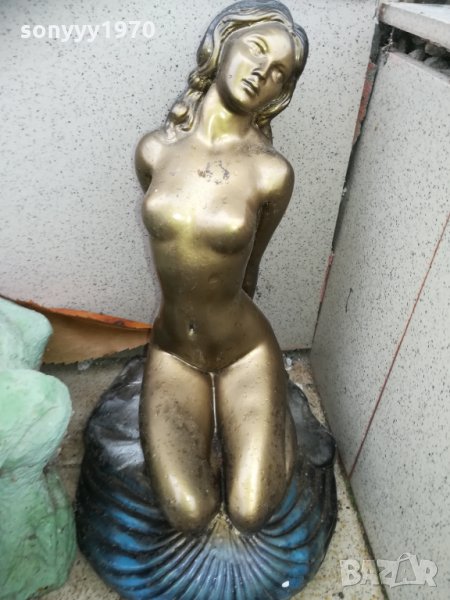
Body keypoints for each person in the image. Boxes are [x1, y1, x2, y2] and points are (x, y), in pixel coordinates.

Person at [135, 0, 308, 534]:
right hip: (174, 350)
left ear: (280, 93)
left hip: (242, 350)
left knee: (251, 510)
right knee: (188, 512)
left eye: (279, 73)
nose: (262, 73)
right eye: (257, 49)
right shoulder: (154, 151)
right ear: (221, 43)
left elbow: (250, 267)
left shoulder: (271, 173)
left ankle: (274, 415)